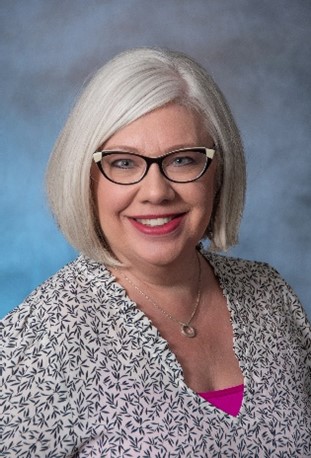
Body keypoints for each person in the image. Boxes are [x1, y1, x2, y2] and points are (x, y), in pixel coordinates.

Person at [1, 47, 310, 457]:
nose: (156, 192)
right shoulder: (43, 339)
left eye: (182, 160)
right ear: (86, 179)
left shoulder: (270, 294)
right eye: (124, 163)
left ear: (219, 172)